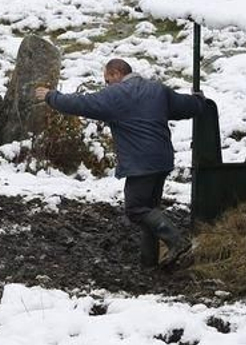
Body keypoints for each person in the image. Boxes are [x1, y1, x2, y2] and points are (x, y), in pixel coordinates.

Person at [35, 58, 204, 267]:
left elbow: (81, 103)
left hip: (140, 163)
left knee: (136, 209)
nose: (106, 85)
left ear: (116, 74)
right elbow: (184, 106)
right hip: (162, 158)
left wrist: (52, 97)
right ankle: (148, 262)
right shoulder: (157, 89)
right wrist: (198, 100)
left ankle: (176, 241)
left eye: (107, 80)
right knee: (149, 209)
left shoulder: (116, 94)